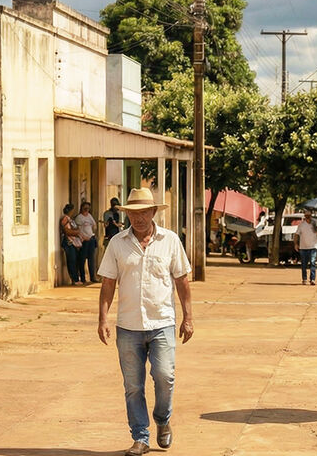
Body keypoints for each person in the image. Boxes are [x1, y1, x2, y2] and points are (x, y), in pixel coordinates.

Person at [97, 187, 193, 456]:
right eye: (133, 213)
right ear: (128, 215)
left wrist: (188, 317)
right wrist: (103, 318)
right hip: (128, 326)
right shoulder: (117, 243)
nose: (138, 218)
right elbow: (108, 283)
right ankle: (140, 437)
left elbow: (182, 281)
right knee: (133, 386)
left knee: (165, 376)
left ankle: (162, 420)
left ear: (153, 212)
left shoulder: (170, 240)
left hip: (162, 322)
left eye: (144, 213)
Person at [294, 209, 317, 285]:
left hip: (313, 246)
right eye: (306, 216)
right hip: (303, 247)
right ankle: (304, 279)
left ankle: (312, 279)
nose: (308, 217)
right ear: (305, 216)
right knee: (304, 264)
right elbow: (296, 235)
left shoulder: (315, 223)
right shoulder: (301, 225)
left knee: (313, 263)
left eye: (309, 216)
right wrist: (296, 244)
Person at [59, 203, 84, 285]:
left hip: (73, 242)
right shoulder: (65, 219)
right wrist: (76, 232)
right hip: (68, 242)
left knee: (75, 260)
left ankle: (76, 278)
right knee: (72, 261)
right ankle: (75, 279)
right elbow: (67, 231)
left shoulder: (70, 219)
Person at [75, 201, 99, 284]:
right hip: (84, 241)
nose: (86, 210)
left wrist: (92, 233)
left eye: (88, 209)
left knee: (91, 259)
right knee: (82, 259)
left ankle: (92, 277)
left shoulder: (89, 216)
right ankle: (82, 278)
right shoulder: (79, 218)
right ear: (81, 208)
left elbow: (94, 225)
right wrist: (83, 237)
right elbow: (77, 230)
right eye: (85, 208)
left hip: (91, 239)